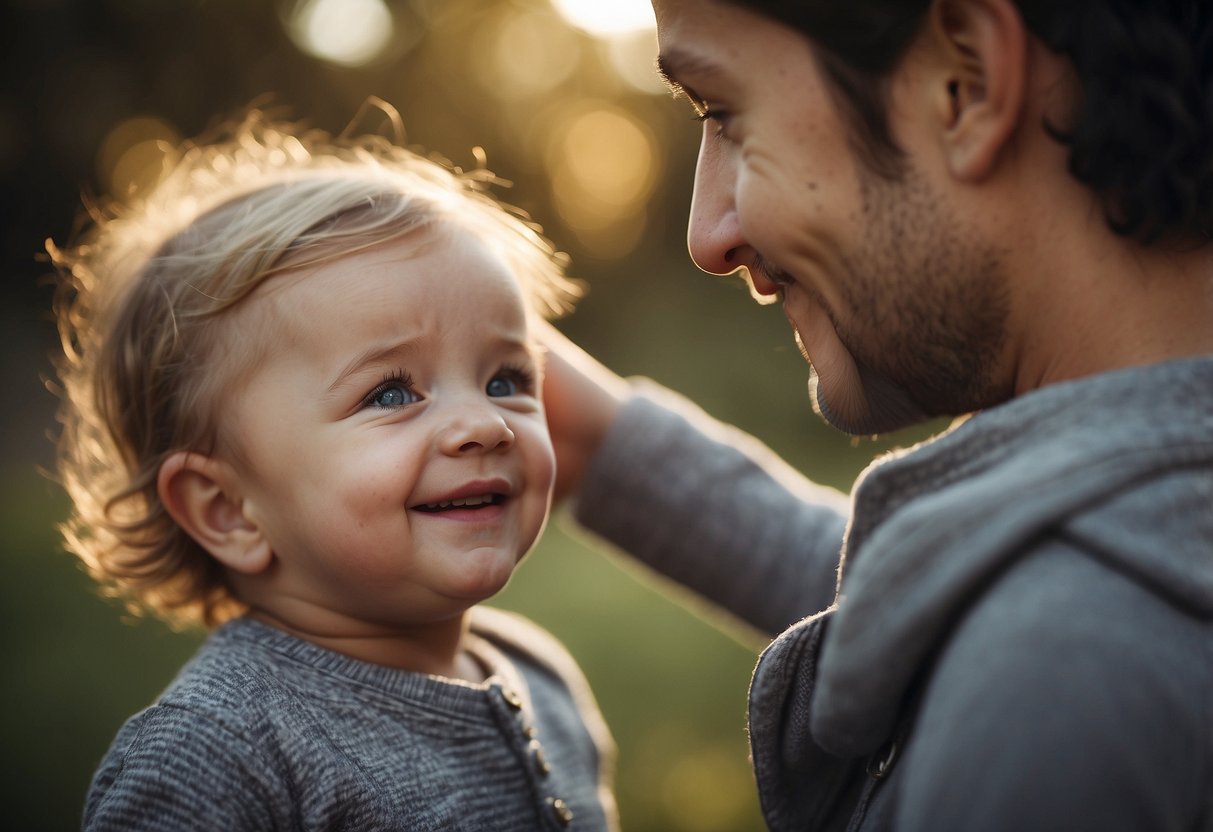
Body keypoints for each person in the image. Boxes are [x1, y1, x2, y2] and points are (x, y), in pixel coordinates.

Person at [541, 1, 1213, 830]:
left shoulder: (1051, 687)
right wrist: (592, 434)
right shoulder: (1141, 552)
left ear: (961, 81)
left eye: (724, 113)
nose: (706, 234)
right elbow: (917, 589)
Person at [52, 107, 617, 831]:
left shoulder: (538, 674)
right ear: (228, 508)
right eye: (390, 392)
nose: (484, 423)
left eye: (505, 377)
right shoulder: (218, 757)